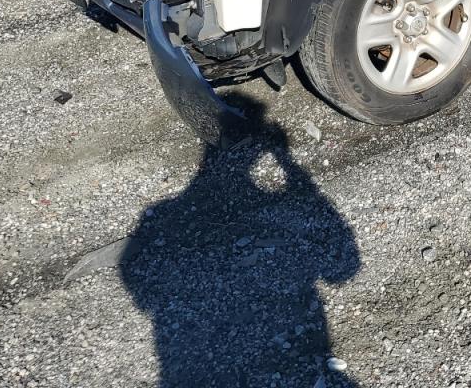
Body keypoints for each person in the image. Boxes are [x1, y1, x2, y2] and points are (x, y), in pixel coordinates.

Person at [120, 94, 362, 387]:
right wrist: (289, 165)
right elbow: (344, 268)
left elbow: (141, 288)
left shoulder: (158, 214)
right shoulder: (162, 215)